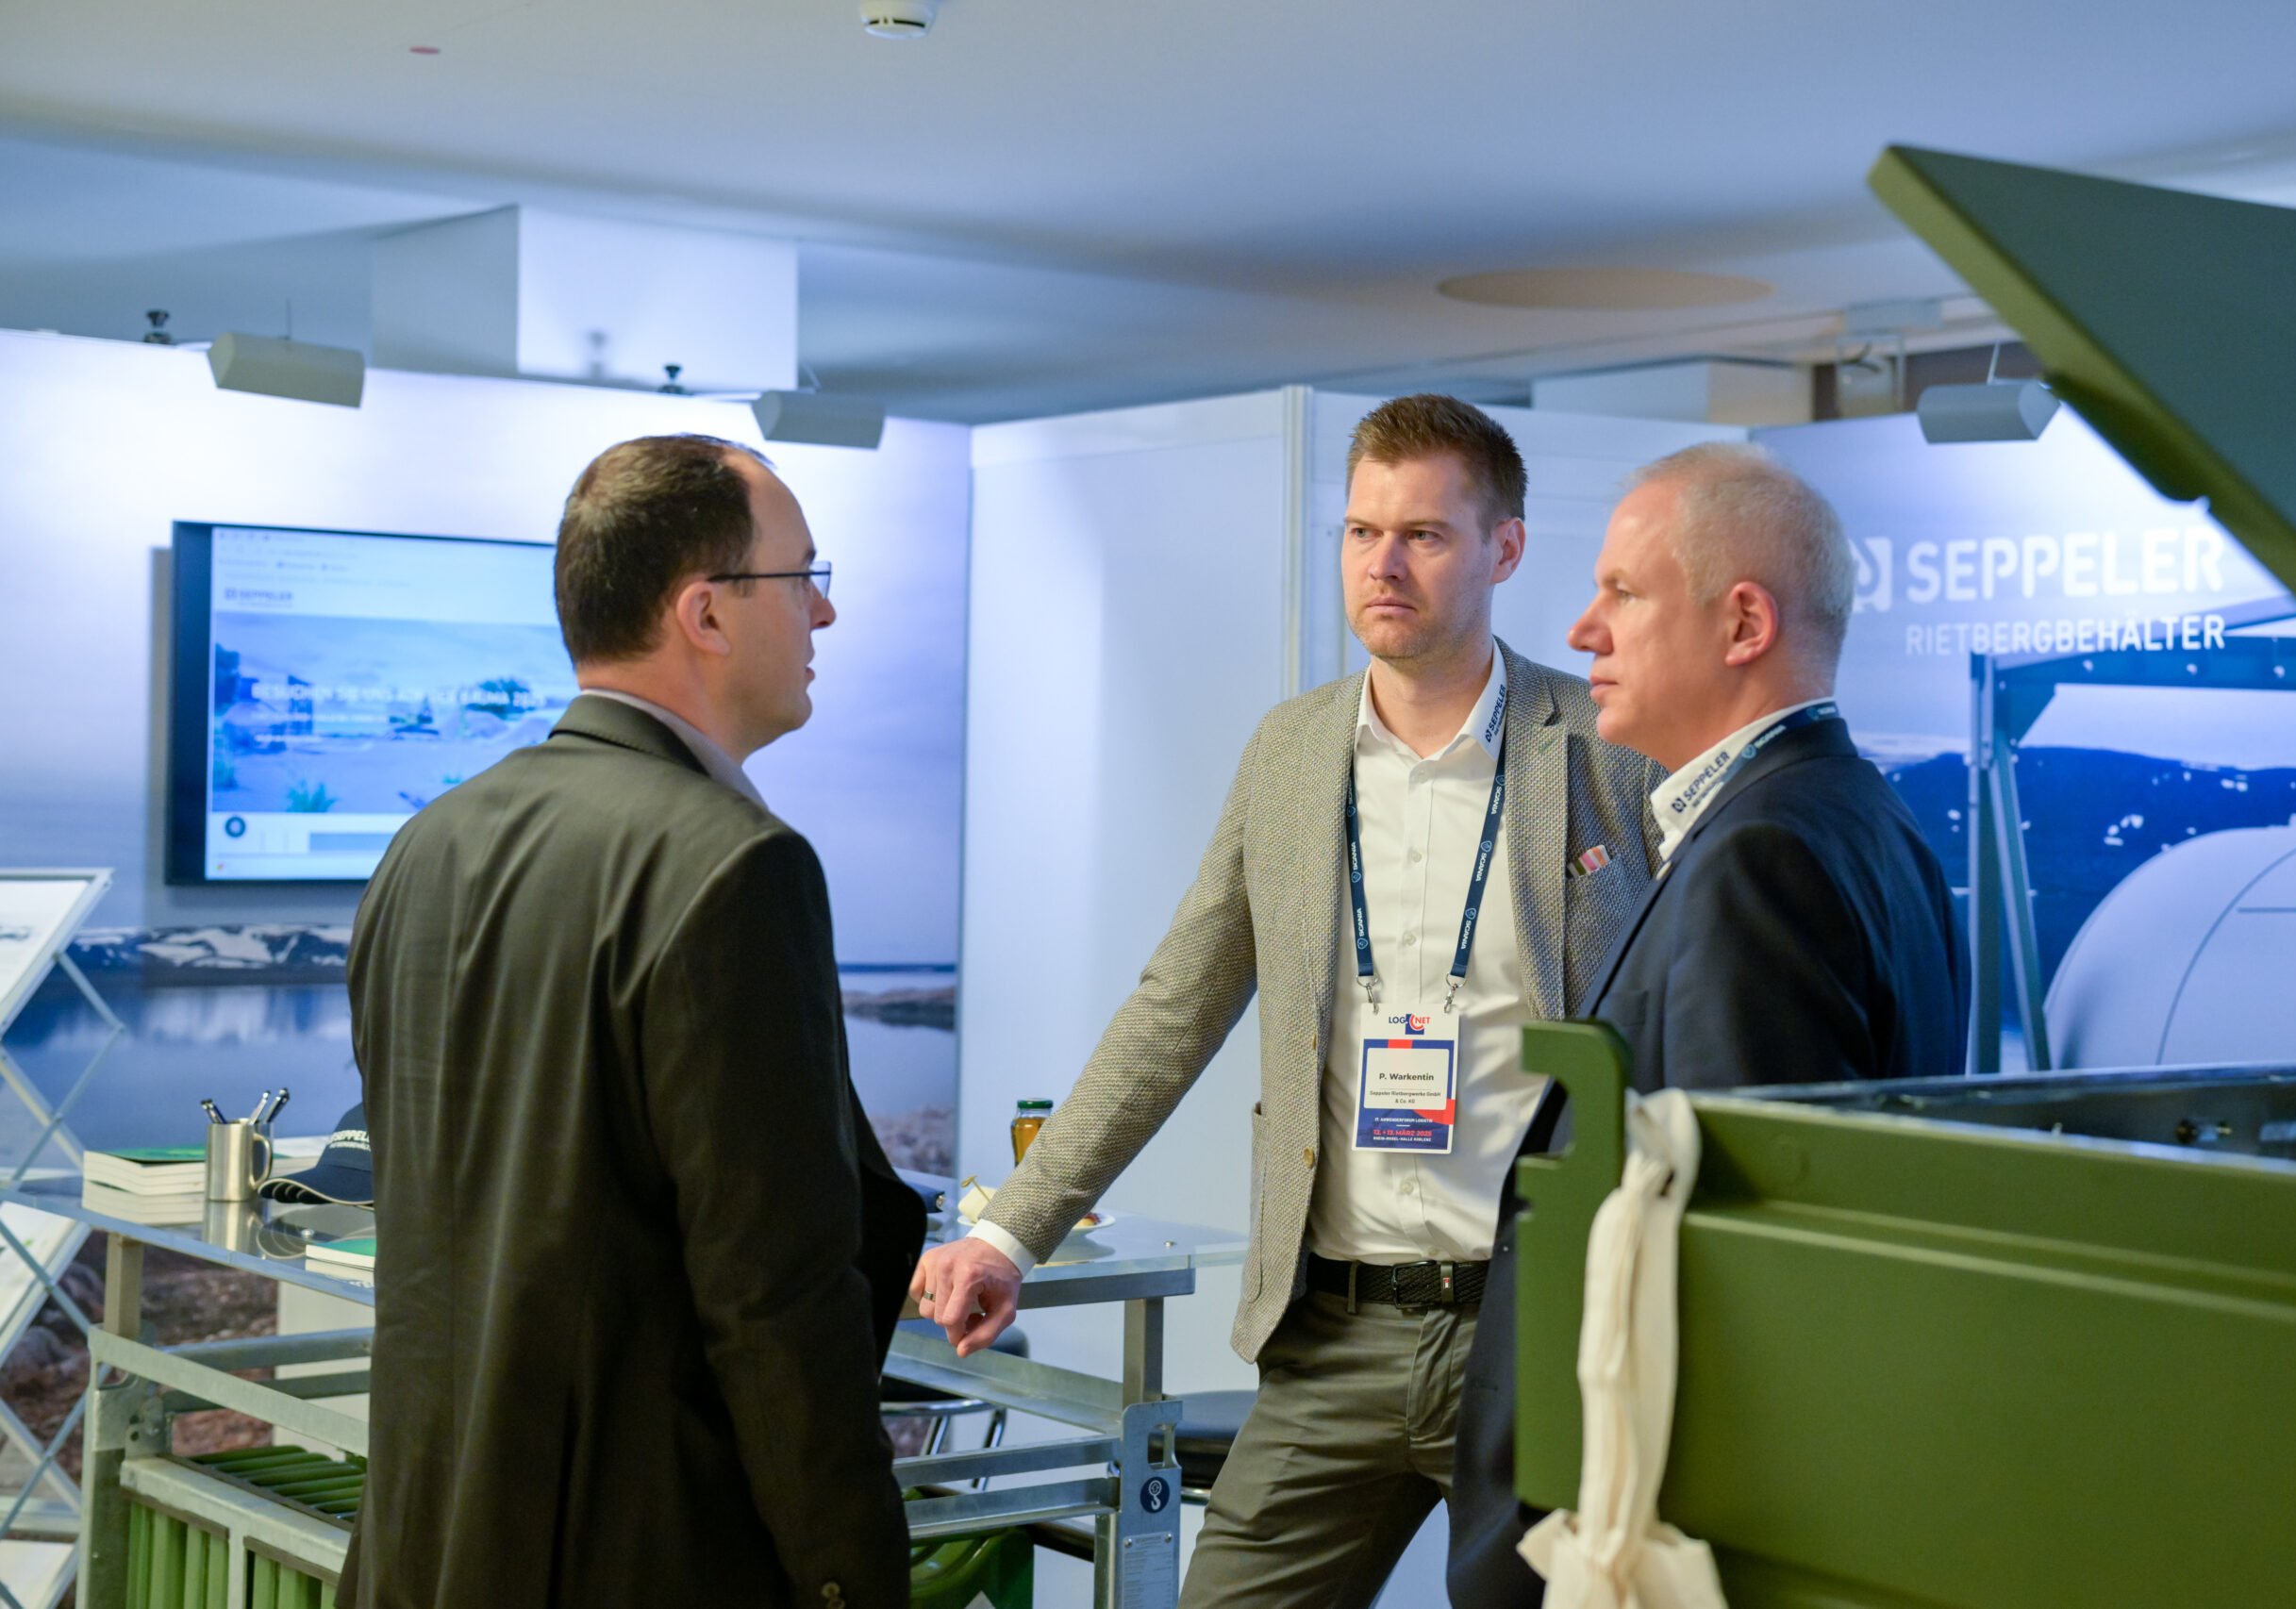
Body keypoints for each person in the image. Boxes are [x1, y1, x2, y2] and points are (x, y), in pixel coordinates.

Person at [911, 394, 1662, 1607]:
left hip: (1544, 1327)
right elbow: (1177, 1003)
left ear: (1504, 549)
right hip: (1337, 1330)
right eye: (1363, 531)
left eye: (1423, 533)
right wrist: (1013, 1229)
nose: (1384, 563)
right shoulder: (1291, 752)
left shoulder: (1603, 748)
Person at [340, 434, 925, 1609]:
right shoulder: (734, 867)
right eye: (800, 574)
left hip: (427, 1541)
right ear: (704, 613)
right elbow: (774, 1296)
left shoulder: (429, 842)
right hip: (645, 1550)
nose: (824, 610)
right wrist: (851, 1573)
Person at [1447, 441, 1970, 1608]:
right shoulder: (1867, 823)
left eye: (1622, 593)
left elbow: (1748, 1270)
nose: (1583, 631)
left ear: (1742, 623)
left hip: (1656, 1532)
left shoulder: (1762, 856)